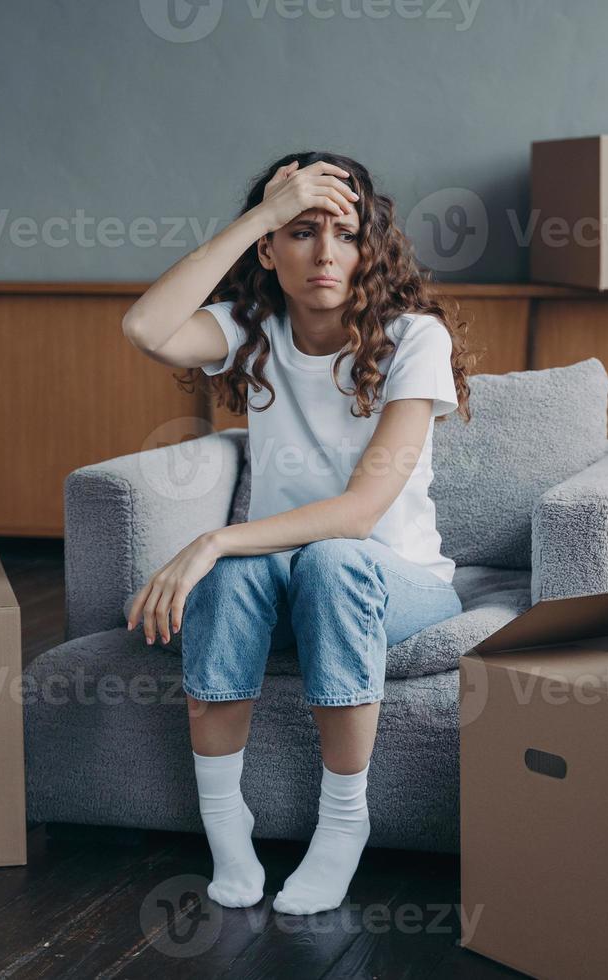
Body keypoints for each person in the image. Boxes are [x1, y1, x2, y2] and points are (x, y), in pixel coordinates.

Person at [121, 150, 473, 913]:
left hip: (396, 583)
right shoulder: (256, 331)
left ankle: (344, 822)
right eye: (300, 231)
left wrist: (212, 538)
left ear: (368, 248)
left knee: (331, 561)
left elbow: (359, 513)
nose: (323, 254)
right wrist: (260, 211)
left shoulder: (415, 338)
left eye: (344, 234)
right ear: (269, 249)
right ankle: (225, 823)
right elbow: (145, 326)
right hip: (281, 573)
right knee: (240, 573)